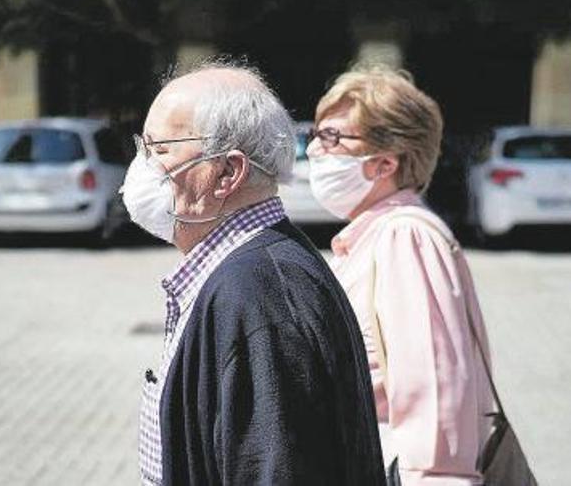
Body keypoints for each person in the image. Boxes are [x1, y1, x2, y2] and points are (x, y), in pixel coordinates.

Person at [122, 60, 386, 485]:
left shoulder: (257, 294)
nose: (143, 166)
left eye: (160, 149)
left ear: (227, 172)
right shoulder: (248, 271)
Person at [306, 63, 495, 485]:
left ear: (383, 163)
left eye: (333, 137)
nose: (316, 149)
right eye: (317, 134)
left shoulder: (404, 236)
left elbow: (434, 388)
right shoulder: (371, 236)